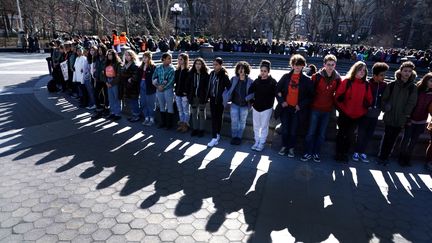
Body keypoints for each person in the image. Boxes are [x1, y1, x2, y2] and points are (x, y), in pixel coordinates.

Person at [301, 54, 341, 162]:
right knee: (311, 132)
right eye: (328, 64)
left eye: (332, 65)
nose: (330, 67)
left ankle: (316, 153)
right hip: (315, 109)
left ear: (335, 65)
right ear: (324, 65)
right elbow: (309, 92)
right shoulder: (316, 76)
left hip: (327, 110)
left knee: (322, 134)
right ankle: (308, 152)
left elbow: (339, 94)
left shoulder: (337, 79)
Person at [378, 61, 418, 165]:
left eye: (409, 71)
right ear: (400, 71)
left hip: (401, 118)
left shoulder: (413, 88)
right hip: (390, 115)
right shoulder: (391, 85)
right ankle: (381, 156)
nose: (407, 73)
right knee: (387, 137)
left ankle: (386, 157)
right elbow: (384, 99)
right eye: (405, 71)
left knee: (393, 139)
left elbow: (412, 103)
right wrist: (385, 106)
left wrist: (406, 115)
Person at [334, 61, 373, 163]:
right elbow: (337, 97)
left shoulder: (366, 85)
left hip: (357, 116)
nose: (362, 72)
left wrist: (362, 111)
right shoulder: (347, 81)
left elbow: (369, 100)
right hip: (344, 114)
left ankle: (345, 154)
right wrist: (344, 109)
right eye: (360, 70)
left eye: (364, 71)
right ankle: (338, 153)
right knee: (341, 134)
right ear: (355, 70)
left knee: (350, 137)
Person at [276, 54, 314, 157]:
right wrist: (281, 101)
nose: (297, 67)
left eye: (300, 65)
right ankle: (284, 146)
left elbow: (311, 96)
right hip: (286, 108)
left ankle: (291, 148)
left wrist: (300, 105)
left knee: (293, 131)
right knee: (285, 129)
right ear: (292, 65)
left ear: (303, 66)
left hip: (297, 110)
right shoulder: (286, 77)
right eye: (295, 64)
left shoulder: (306, 80)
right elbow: (277, 90)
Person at [352, 62, 389, 163]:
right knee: (361, 134)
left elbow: (385, 99)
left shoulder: (384, 85)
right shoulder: (367, 84)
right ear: (374, 75)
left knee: (369, 134)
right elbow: (362, 97)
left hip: (375, 115)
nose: (384, 77)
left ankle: (362, 152)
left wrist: (384, 107)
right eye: (381, 75)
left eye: (384, 75)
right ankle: (356, 151)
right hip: (365, 114)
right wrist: (365, 106)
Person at [399, 72, 432, 166]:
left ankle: (407, 159)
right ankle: (401, 158)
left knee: (413, 141)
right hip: (411, 119)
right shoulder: (416, 89)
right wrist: (407, 117)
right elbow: (409, 104)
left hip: (421, 121)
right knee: (406, 140)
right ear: (426, 80)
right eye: (431, 81)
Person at [248, 60, 277, 151]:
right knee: (256, 126)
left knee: (264, 126)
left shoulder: (273, 82)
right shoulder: (257, 81)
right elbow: (250, 91)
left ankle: (262, 143)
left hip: (267, 108)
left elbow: (276, 94)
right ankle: (256, 141)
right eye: (261, 71)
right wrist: (252, 102)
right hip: (256, 107)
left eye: (265, 71)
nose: (263, 73)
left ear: (268, 71)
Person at [223, 61, 254, 145]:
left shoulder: (250, 81)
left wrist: (247, 98)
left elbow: (254, 93)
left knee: (242, 122)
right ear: (237, 70)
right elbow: (228, 89)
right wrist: (226, 97)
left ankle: (239, 137)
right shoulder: (233, 79)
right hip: (234, 104)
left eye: (243, 69)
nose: (241, 71)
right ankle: (234, 137)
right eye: (239, 69)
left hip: (244, 105)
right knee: (234, 122)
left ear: (246, 70)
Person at [206, 57, 231, 147]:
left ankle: (216, 136)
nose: (214, 66)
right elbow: (209, 85)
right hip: (212, 99)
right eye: (213, 64)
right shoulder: (212, 73)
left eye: (216, 65)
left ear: (220, 65)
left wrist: (224, 97)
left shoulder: (224, 76)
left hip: (220, 100)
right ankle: (215, 136)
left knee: (219, 118)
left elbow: (229, 88)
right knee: (214, 118)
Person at [152, 53, 176, 129]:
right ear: (163, 59)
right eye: (169, 58)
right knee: (161, 106)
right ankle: (163, 122)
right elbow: (154, 77)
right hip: (159, 89)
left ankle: (169, 124)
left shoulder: (172, 69)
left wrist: (163, 87)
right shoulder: (158, 68)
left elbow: (171, 80)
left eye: (171, 58)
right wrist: (157, 86)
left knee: (169, 106)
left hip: (168, 89)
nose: (170, 60)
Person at [187, 58, 210, 137]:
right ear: (194, 65)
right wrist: (188, 95)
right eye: (196, 63)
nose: (198, 65)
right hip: (193, 97)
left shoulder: (206, 75)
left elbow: (207, 87)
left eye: (199, 64)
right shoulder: (191, 73)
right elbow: (188, 85)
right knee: (193, 113)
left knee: (202, 113)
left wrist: (206, 97)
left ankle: (201, 130)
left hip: (202, 97)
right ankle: (195, 129)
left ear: (202, 65)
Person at [136, 51, 157, 126]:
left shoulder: (153, 67)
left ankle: (151, 119)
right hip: (141, 86)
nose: (144, 59)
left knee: (150, 104)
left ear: (149, 58)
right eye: (143, 57)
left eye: (146, 57)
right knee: (143, 103)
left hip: (150, 87)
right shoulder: (140, 67)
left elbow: (155, 78)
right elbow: (138, 77)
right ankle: (146, 117)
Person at [120, 50, 139, 122]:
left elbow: (135, 77)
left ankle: (136, 115)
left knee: (134, 101)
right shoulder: (126, 64)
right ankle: (134, 114)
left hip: (132, 87)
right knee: (131, 102)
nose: (127, 56)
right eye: (126, 55)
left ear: (132, 56)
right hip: (127, 86)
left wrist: (130, 79)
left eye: (128, 55)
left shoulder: (134, 65)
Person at [174, 53, 191, 133]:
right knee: (180, 110)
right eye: (178, 59)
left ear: (185, 60)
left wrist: (186, 92)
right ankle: (181, 124)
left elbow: (189, 84)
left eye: (181, 59)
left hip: (184, 94)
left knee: (186, 110)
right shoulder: (177, 70)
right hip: (177, 93)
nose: (179, 61)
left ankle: (185, 125)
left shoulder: (188, 71)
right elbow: (175, 82)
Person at [104, 49, 123, 120]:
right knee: (111, 98)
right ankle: (112, 112)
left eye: (110, 54)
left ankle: (117, 114)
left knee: (116, 98)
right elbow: (104, 73)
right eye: (108, 54)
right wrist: (106, 82)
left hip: (115, 82)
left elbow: (119, 75)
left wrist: (111, 83)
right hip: (108, 81)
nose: (109, 56)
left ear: (114, 55)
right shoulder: (107, 63)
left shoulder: (118, 63)